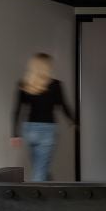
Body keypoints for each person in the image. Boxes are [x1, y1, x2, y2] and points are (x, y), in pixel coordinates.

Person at [10, 53, 75, 181]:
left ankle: (48, 190)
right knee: (40, 171)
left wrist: (14, 134)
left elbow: (17, 110)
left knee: (40, 168)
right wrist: (73, 121)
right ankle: (35, 198)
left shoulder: (24, 84)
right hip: (47, 130)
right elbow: (63, 105)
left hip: (29, 130)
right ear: (47, 66)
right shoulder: (55, 85)